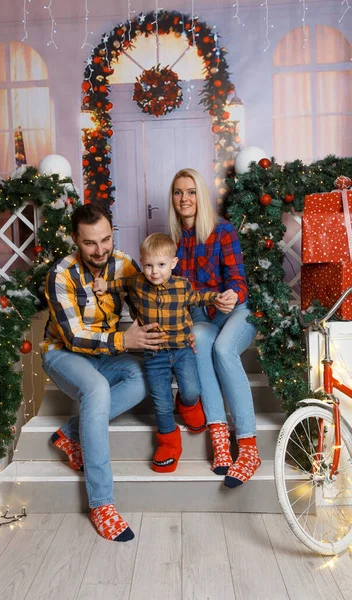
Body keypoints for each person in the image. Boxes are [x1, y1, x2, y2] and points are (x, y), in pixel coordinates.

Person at [41, 203, 166, 542]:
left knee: (144, 378)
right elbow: (74, 336)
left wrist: (170, 333)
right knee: (96, 389)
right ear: (74, 240)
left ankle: (69, 433)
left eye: (106, 240)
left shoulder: (125, 265)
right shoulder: (60, 274)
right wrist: (124, 338)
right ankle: (101, 504)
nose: (100, 250)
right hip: (63, 355)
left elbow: (148, 305)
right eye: (90, 243)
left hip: (108, 352)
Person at [94, 233, 221, 473]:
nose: (154, 271)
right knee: (161, 402)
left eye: (161, 265)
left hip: (182, 350)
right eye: (149, 265)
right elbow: (122, 284)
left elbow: (198, 298)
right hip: (154, 354)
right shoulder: (138, 282)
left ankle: (188, 404)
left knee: (192, 388)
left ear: (173, 263)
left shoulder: (182, 286)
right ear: (142, 264)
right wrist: (105, 286)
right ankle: (169, 443)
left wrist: (216, 298)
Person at [168, 168, 261, 488]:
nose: (185, 199)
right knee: (200, 340)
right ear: (173, 199)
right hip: (203, 318)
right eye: (178, 193)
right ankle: (220, 437)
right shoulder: (173, 243)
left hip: (236, 312)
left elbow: (238, 280)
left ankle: (248, 446)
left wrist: (232, 293)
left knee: (223, 349)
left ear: (200, 195)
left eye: (191, 191)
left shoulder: (223, 230)